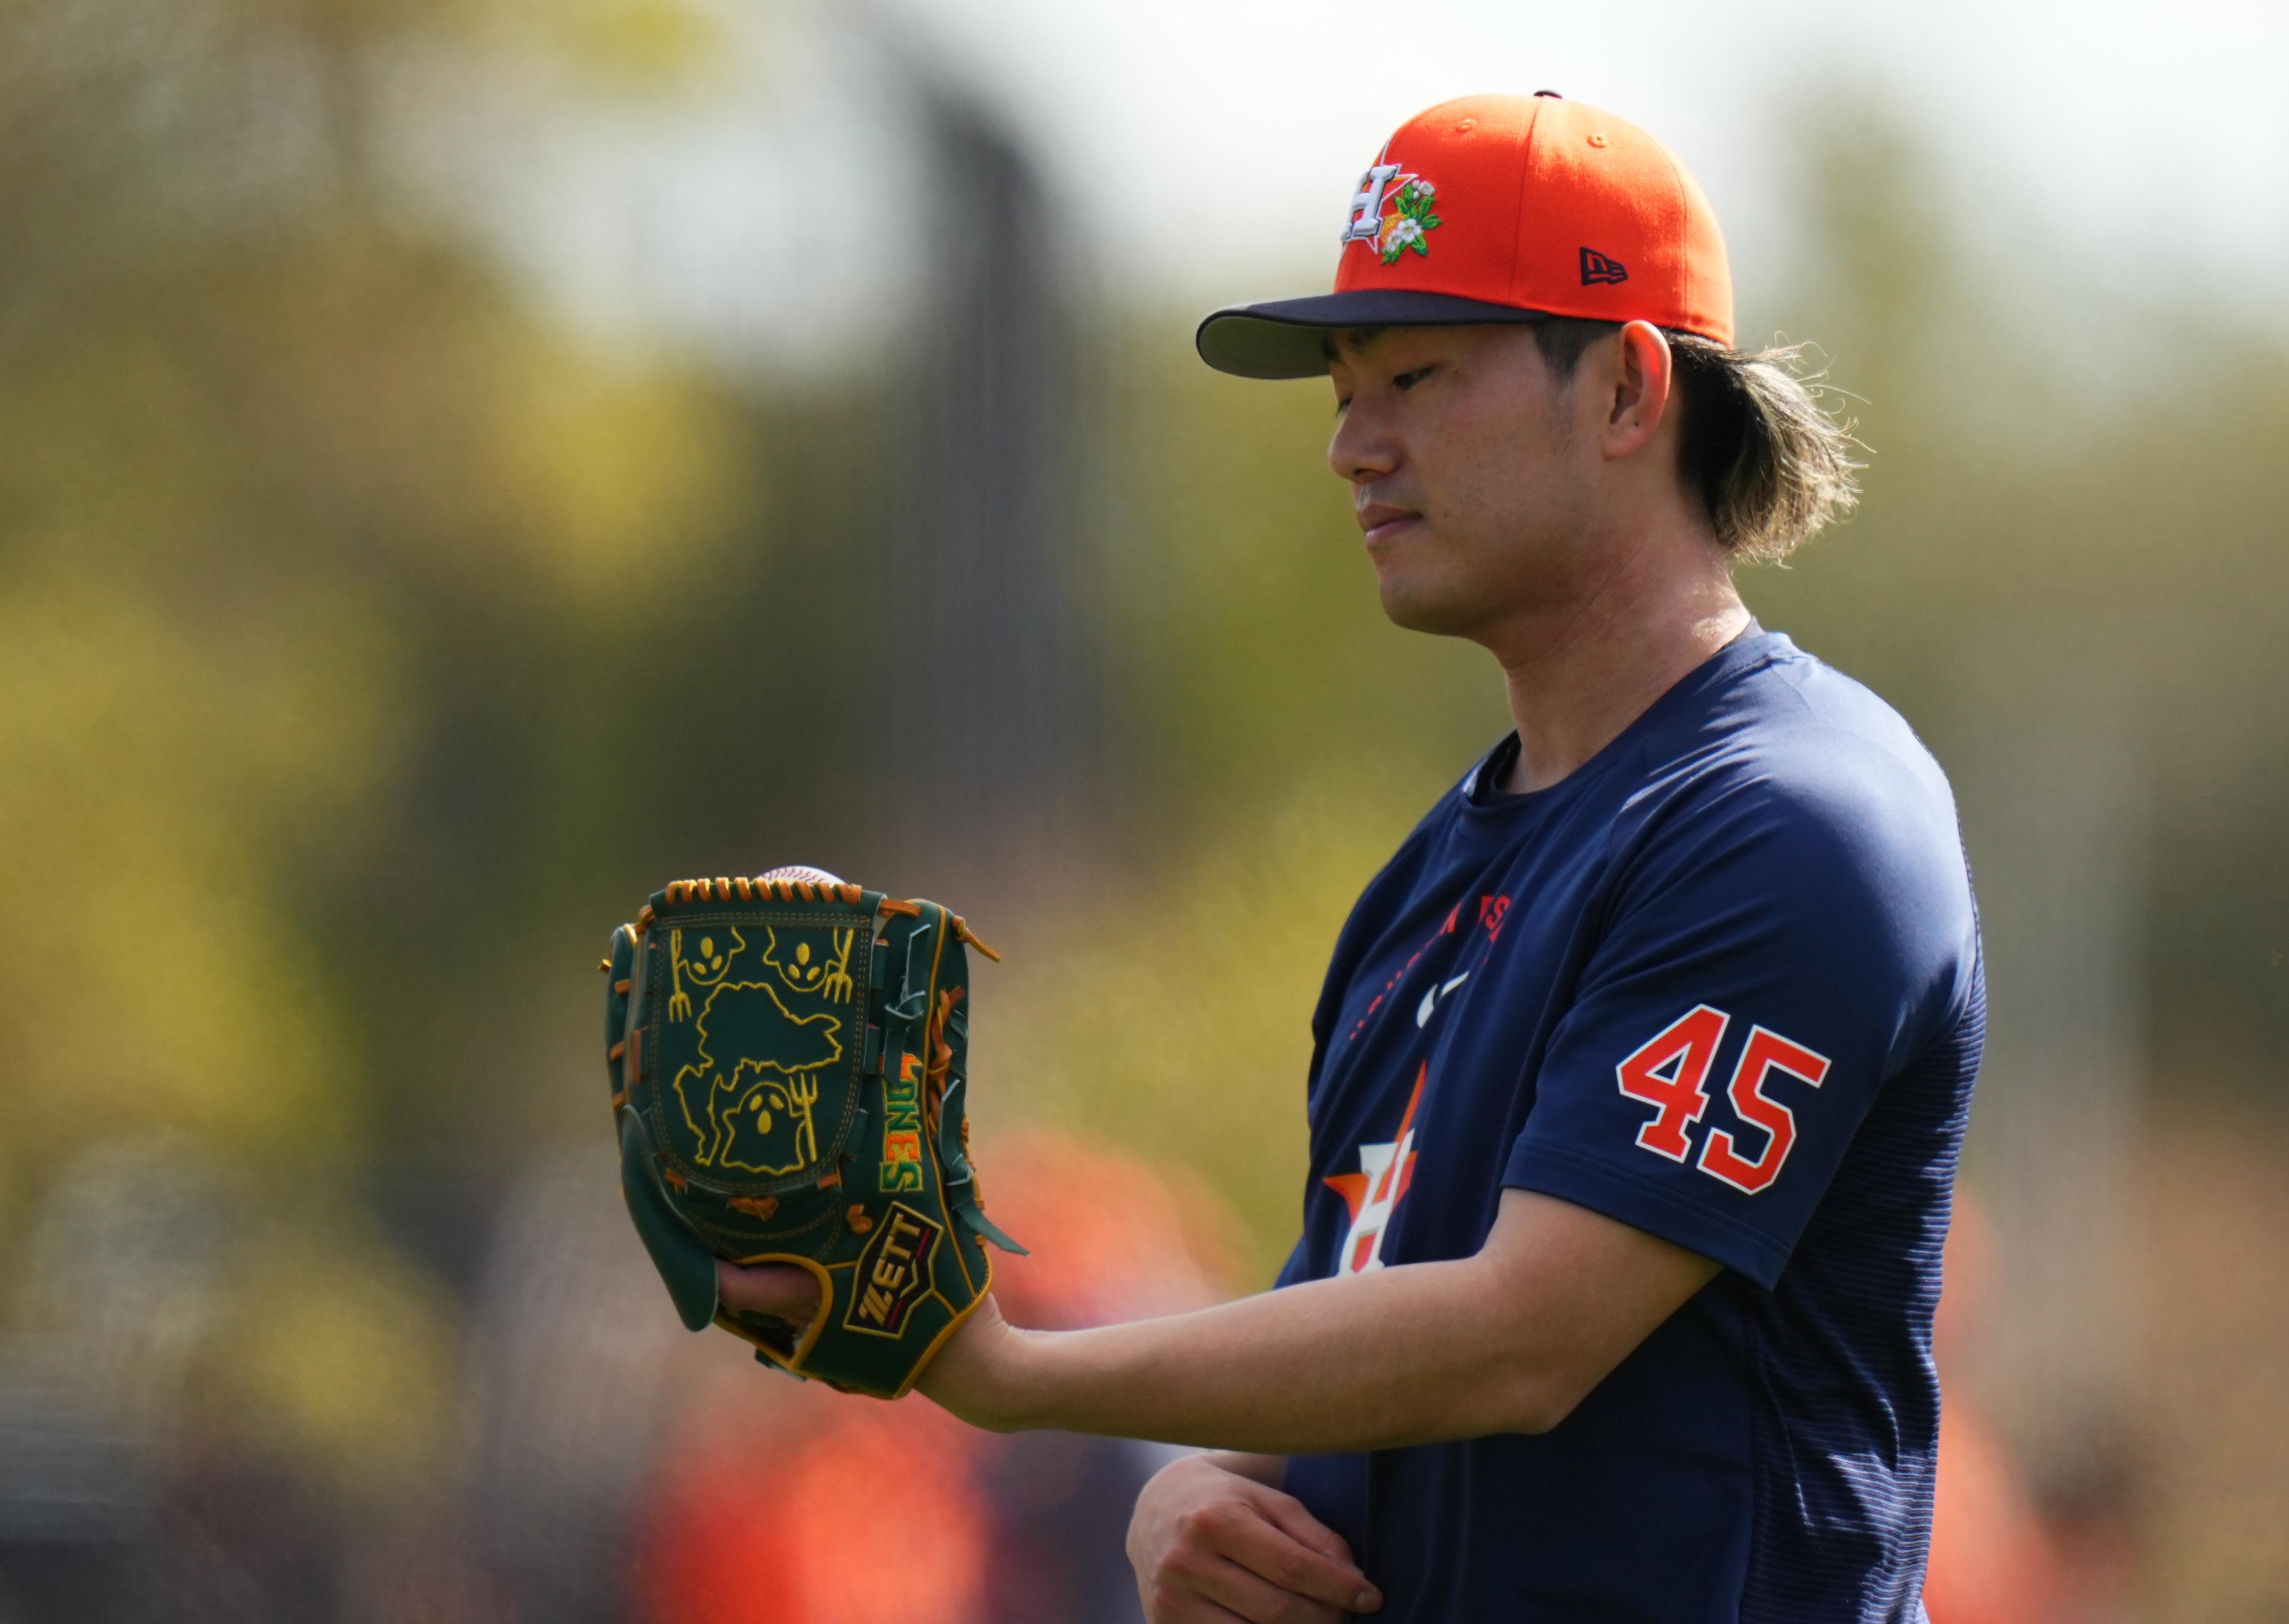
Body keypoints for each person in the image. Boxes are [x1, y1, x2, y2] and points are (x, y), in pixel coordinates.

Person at [717, 90, 1984, 1623]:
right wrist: (1205, 1490)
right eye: (1342, 384)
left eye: (1418, 375)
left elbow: (1525, 1341)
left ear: (1630, 392)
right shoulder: (1432, 878)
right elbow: (1369, 1329)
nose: (1349, 444)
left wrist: (1006, 1371)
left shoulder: (1790, 822)